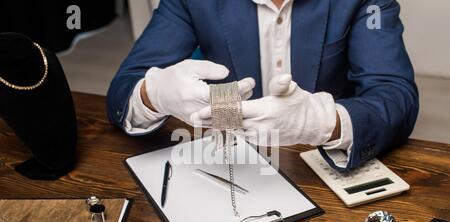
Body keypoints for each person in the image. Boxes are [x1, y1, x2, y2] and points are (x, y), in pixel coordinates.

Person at [107, 0, 419, 171]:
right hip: (228, 160)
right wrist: (153, 94)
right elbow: (123, 90)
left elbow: (396, 97)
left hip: (321, 162)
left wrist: (321, 121)